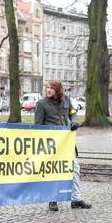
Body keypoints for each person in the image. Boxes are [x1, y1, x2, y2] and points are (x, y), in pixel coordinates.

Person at [34, 81, 91, 212]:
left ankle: (76, 199)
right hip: (51, 145)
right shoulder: (41, 104)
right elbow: (37, 126)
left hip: (66, 142)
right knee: (53, 172)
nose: (48, 90)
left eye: (51, 88)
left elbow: (73, 113)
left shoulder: (66, 101)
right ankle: (52, 200)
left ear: (58, 89)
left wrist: (75, 121)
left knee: (75, 168)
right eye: (47, 87)